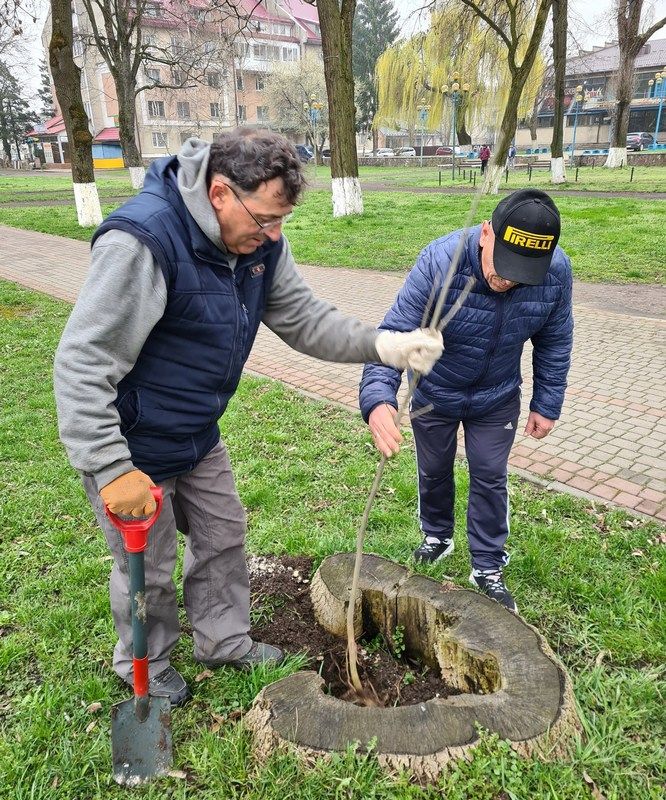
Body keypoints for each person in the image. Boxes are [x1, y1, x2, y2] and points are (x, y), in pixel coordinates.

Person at [54, 129, 443, 707]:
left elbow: (305, 319)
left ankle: (223, 641)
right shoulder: (142, 243)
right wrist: (111, 469)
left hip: (196, 433)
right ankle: (145, 664)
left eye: (281, 222)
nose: (273, 237)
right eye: (265, 221)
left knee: (222, 534)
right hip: (131, 441)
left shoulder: (258, 247)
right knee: (148, 565)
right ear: (219, 194)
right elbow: (82, 363)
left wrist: (384, 346)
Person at [359, 189, 573, 613]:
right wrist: (379, 397)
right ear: (486, 233)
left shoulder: (555, 273)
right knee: (434, 468)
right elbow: (395, 333)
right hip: (434, 393)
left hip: (496, 397)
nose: (507, 279)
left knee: (490, 474)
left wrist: (547, 402)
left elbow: (555, 340)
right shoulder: (440, 262)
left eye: (521, 271)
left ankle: (488, 565)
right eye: (503, 263)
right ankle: (437, 535)